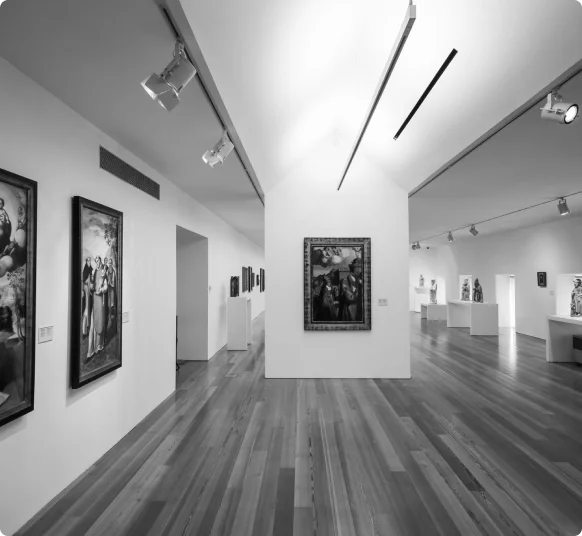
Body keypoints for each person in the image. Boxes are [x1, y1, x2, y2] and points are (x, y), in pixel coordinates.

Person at [88, 256, 108, 357]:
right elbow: (92, 284)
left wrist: (102, 290)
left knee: (99, 321)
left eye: (98, 260)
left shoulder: (103, 271)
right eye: (96, 261)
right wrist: (91, 287)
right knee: (93, 323)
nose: (97, 263)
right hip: (95, 300)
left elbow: (106, 286)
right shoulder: (94, 272)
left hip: (100, 301)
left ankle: (99, 345)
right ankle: (91, 350)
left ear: (100, 261)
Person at [82, 257, 93, 337]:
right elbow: (84, 281)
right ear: (86, 262)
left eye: (90, 260)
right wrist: (88, 282)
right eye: (88, 260)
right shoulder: (85, 270)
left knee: (89, 309)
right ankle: (84, 331)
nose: (89, 262)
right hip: (86, 290)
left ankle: (87, 328)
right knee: (86, 310)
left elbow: (91, 280)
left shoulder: (90, 269)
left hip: (89, 291)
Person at [107, 258, 117, 337]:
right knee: (108, 306)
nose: (109, 264)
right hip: (108, 291)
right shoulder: (107, 271)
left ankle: (112, 325)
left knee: (112, 306)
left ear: (112, 264)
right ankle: (109, 322)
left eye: (110, 263)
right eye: (109, 263)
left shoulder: (113, 272)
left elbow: (113, 284)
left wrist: (109, 283)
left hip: (112, 291)